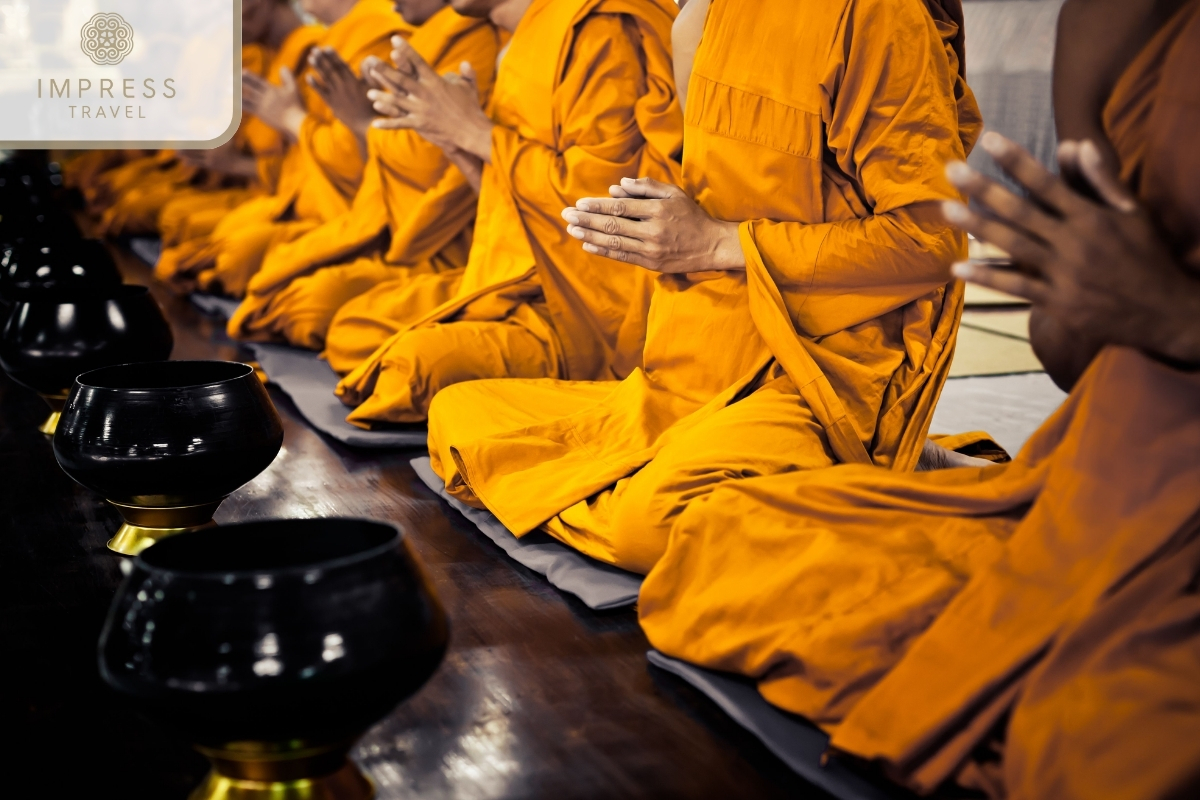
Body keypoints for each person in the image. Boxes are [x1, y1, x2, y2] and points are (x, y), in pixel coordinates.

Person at [638, 1, 1200, 796]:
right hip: (1084, 488)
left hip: (842, 370)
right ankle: (930, 479)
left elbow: (930, 240)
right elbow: (1072, 352)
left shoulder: (875, 13)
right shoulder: (1114, 21)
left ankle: (903, 470)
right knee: (716, 545)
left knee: (1107, 748)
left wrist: (1178, 316)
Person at [423, 0, 981, 575]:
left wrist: (717, 241)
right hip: (697, 359)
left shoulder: (874, 13)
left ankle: (876, 473)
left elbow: (933, 238)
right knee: (457, 414)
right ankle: (840, 479)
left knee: (652, 520)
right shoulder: (701, 18)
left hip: (812, 371)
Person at [323, 0, 683, 415]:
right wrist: (456, 143)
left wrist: (476, 132)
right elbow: (508, 205)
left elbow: (603, 207)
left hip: (585, 308)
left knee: (409, 368)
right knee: (353, 327)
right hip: (512, 278)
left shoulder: (597, 30)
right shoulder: (517, 43)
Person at [225, 0, 500, 351]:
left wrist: (309, 122)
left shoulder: (441, 37)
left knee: (304, 304)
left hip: (439, 242)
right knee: (254, 267)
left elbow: (422, 162)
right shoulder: (405, 38)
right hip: (360, 215)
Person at [154, 0, 412, 297]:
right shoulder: (326, 43)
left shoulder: (380, 39)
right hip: (306, 200)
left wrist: (291, 120)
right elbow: (296, 163)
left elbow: (361, 164)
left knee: (249, 265)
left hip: (357, 217)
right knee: (192, 229)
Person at [75, 0, 318, 239]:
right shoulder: (257, 52)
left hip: (291, 195)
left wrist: (240, 160)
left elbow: (318, 161)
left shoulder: (314, 52)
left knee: (183, 225)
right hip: (256, 181)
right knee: (103, 186)